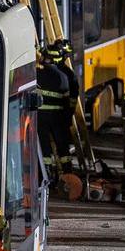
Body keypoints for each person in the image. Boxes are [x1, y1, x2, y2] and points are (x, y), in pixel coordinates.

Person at [36, 42, 77, 178]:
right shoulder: (65, 76)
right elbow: (68, 102)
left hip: (41, 116)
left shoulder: (37, 73)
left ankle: (45, 176)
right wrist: (67, 119)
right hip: (58, 117)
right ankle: (68, 174)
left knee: (44, 147)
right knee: (62, 147)